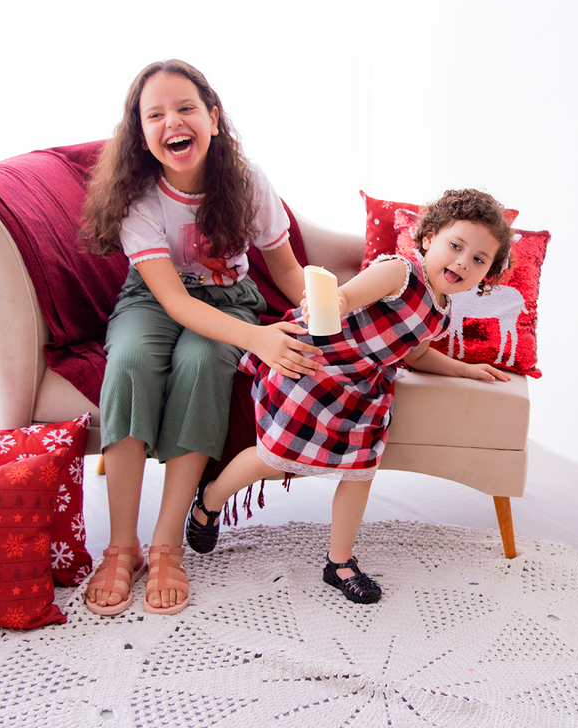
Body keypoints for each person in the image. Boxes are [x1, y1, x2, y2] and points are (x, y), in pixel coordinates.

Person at [185, 188, 514, 604]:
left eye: (479, 259)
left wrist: (466, 369)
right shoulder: (400, 272)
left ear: (486, 275)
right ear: (428, 237)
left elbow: (417, 354)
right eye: (456, 245)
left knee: (361, 471)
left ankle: (339, 562)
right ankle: (210, 498)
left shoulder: (442, 312)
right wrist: (333, 299)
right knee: (273, 458)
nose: (463, 261)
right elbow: (348, 296)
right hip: (316, 364)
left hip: (361, 387)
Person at [79, 60, 321, 616]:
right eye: (155, 114)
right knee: (133, 358)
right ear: (141, 134)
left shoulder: (247, 181)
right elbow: (174, 301)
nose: (172, 122)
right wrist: (259, 341)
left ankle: (166, 545)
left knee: (204, 359)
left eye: (185, 108)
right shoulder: (139, 196)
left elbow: (285, 271)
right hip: (155, 300)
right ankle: (123, 547)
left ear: (212, 117)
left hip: (230, 300)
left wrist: (330, 303)